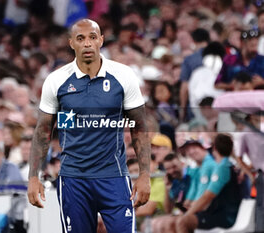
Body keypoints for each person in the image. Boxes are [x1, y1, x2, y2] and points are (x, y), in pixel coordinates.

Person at [27, 19, 151, 233]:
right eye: (81, 38)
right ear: (71, 43)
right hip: (74, 179)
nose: (87, 43)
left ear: (101, 40)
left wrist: (145, 174)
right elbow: (42, 131)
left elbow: (139, 127)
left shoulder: (123, 76)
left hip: (114, 176)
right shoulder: (56, 80)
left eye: (93, 37)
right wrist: (33, 177)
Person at [176, 134, 241, 232]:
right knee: (178, 221)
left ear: (213, 148)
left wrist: (188, 214)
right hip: (218, 213)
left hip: (225, 216)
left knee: (184, 222)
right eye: (188, 150)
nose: (191, 152)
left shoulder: (222, 167)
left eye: (194, 147)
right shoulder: (224, 165)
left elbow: (207, 196)